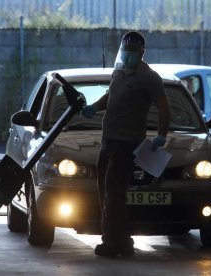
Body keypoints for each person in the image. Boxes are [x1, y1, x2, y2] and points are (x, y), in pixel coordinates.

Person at [81, 31, 171, 257]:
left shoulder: (149, 78)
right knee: (107, 192)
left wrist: (161, 135)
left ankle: (112, 242)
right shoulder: (119, 72)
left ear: (142, 52)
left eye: (133, 49)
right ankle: (122, 240)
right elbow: (110, 97)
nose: (128, 53)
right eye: (126, 49)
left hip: (127, 144)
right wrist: (95, 107)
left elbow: (164, 106)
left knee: (113, 192)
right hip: (108, 142)